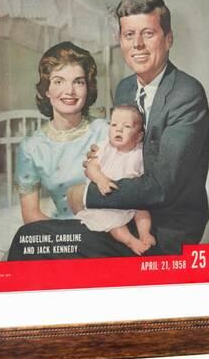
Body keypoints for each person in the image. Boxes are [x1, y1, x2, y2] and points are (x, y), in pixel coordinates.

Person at [8, 0, 209, 259]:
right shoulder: (126, 88)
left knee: (29, 242)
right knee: (30, 239)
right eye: (129, 35)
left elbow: (163, 187)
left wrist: (87, 195)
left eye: (148, 34)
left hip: (163, 232)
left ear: (168, 38)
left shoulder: (186, 94)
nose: (137, 44)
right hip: (119, 217)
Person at [14, 41, 108, 223]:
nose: (69, 91)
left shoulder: (106, 132)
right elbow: (31, 215)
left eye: (78, 82)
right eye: (59, 81)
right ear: (46, 90)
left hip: (110, 230)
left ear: (87, 88)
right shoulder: (31, 148)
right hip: (62, 232)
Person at [67, 104, 156, 255]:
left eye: (126, 126)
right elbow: (91, 168)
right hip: (106, 199)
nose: (118, 129)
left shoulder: (140, 152)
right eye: (114, 125)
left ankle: (144, 234)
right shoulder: (104, 148)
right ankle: (131, 241)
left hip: (131, 198)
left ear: (139, 136)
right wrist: (101, 180)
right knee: (115, 226)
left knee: (142, 212)